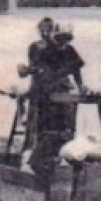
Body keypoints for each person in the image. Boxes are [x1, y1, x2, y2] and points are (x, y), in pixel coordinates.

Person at [19, 18, 86, 176]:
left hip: (63, 93)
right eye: (61, 39)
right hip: (46, 93)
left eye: (67, 39)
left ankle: (64, 157)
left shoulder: (70, 50)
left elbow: (76, 70)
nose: (64, 42)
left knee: (67, 127)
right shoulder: (44, 49)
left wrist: (81, 86)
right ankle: (40, 160)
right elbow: (37, 71)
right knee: (47, 128)